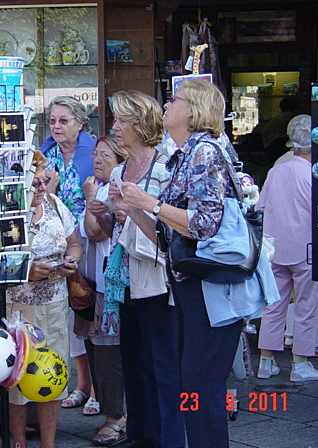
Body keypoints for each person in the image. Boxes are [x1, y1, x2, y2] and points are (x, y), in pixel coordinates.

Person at [116, 80, 245, 448]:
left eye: (175, 99)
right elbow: (166, 235)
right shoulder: (185, 154)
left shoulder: (203, 151)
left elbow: (204, 223)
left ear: (193, 110)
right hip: (192, 282)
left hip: (211, 284)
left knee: (200, 386)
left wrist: (150, 203)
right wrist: (133, 208)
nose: (167, 104)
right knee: (194, 383)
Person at [106, 90, 185, 448]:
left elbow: (169, 237)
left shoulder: (165, 164)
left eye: (122, 120)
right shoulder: (120, 169)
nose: (115, 127)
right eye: (115, 120)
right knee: (134, 363)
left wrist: (132, 210)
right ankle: (141, 435)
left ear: (141, 123)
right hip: (126, 280)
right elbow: (116, 233)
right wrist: (108, 214)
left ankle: (169, 438)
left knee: (163, 367)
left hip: (158, 282)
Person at [7, 150, 83, 448]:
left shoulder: (55, 204)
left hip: (54, 304)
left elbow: (74, 243)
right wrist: (26, 272)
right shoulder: (10, 211)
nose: (41, 188)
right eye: (34, 183)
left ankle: (49, 444)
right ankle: (19, 442)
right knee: (18, 374)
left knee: (54, 372)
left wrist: (71, 261)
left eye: (44, 181)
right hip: (17, 306)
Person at [256, 114, 318, 382]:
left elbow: (260, 207)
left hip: (275, 248)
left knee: (273, 304)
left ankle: (266, 361)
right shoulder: (313, 175)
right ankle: (301, 364)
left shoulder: (276, 170)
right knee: (307, 306)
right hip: (307, 248)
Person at [40, 95, 97, 414]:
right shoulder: (45, 153)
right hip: (57, 241)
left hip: (91, 239)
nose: (57, 126)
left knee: (92, 310)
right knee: (71, 314)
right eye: (52, 120)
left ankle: (101, 388)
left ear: (80, 122)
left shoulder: (93, 151)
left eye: (64, 120)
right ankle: (82, 384)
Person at [78, 135, 128, 446]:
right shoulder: (100, 187)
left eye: (105, 155)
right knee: (96, 349)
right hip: (96, 283)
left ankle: (117, 416)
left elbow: (95, 232)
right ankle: (111, 410)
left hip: (112, 285)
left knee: (110, 353)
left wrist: (89, 200)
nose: (97, 160)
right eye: (96, 154)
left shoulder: (113, 190)